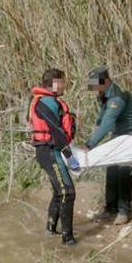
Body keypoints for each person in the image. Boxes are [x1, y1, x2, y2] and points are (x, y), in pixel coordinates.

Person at [83, 66, 132, 225]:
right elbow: (102, 117)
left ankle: (124, 211)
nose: (93, 88)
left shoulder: (117, 98)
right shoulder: (104, 93)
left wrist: (90, 144)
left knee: (124, 168)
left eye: (95, 85)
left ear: (105, 82)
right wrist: (97, 125)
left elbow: (108, 123)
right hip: (120, 131)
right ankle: (110, 207)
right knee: (111, 165)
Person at [28, 68, 80, 246]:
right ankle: (68, 239)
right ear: (55, 83)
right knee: (68, 192)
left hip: (50, 151)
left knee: (60, 192)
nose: (66, 84)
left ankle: (50, 230)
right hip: (49, 151)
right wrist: (70, 157)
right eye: (63, 81)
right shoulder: (46, 102)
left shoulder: (48, 101)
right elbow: (57, 133)